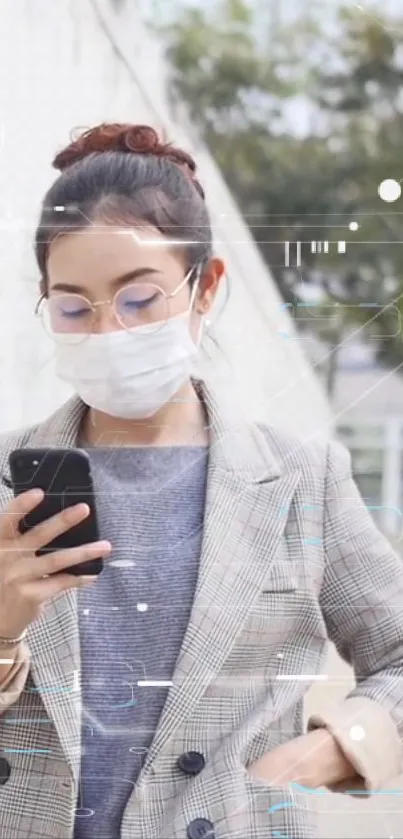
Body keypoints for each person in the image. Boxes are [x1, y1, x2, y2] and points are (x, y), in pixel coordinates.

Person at [0, 122, 402, 839]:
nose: (107, 330)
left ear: (205, 285)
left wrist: (336, 746)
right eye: (73, 305)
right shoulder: (5, 477)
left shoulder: (299, 479)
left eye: (138, 298)